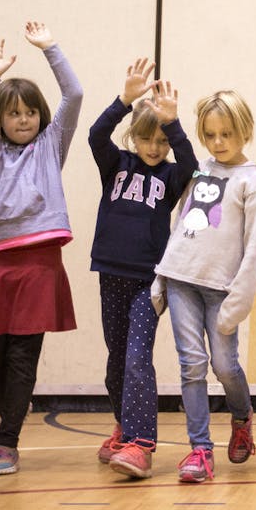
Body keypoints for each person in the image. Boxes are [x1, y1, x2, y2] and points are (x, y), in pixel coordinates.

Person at [0, 22, 83, 476]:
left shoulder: (52, 146)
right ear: (1, 120)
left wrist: (50, 47)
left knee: (21, 354)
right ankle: (15, 406)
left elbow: (74, 95)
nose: (24, 119)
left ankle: (5, 440)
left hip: (38, 261)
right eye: (14, 113)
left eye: (31, 111)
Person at [87, 60, 196, 481]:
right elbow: (96, 134)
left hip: (149, 281)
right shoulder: (116, 164)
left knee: (136, 358)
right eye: (147, 139)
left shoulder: (171, 176)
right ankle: (123, 425)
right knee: (116, 361)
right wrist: (123, 101)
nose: (154, 148)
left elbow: (191, 165)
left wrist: (175, 125)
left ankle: (141, 444)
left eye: (161, 142)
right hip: (110, 274)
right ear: (133, 137)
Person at [154, 90, 256, 483]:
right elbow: (181, 224)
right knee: (192, 365)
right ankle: (200, 450)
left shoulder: (253, 181)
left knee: (223, 365)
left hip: (221, 290)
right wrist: (162, 275)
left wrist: (239, 300)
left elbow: (254, 247)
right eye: (210, 135)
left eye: (226, 134)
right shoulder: (200, 169)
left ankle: (242, 417)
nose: (218, 143)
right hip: (181, 280)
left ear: (245, 131)